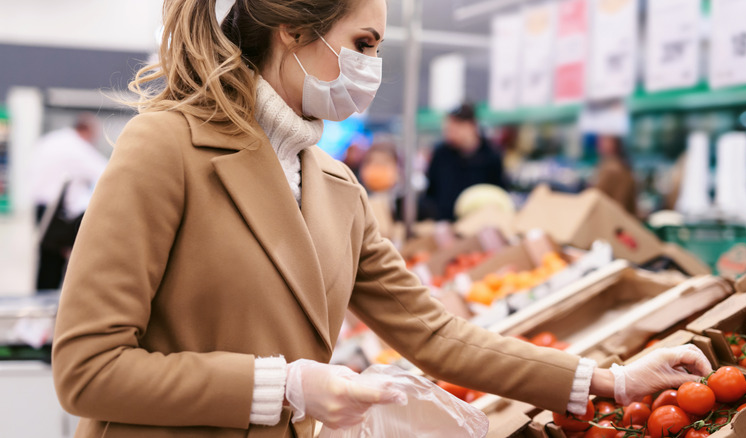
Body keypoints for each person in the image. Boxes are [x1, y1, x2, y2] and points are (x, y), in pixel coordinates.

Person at [52, 1, 712, 437]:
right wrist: (286, 386)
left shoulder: (337, 188)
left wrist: (609, 378)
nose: (372, 67)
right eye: (362, 43)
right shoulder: (167, 146)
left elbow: (437, 335)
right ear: (294, 31)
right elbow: (87, 367)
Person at [29, 113, 107, 290]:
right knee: (58, 262)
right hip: (58, 212)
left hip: (40, 206)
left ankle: (42, 299)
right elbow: (106, 172)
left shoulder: (50, 140)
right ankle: (52, 303)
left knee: (46, 259)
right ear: (87, 130)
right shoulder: (76, 147)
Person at [421, 103, 506, 221]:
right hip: (445, 224)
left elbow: (499, 193)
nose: (449, 132)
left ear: (470, 126)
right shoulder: (441, 154)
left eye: (455, 127)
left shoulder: (491, 156)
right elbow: (431, 192)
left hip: (480, 223)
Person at [592, 134, 638, 215]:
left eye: (604, 140)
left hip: (614, 219)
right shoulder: (609, 165)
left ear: (614, 144)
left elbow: (619, 203)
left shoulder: (614, 169)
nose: (599, 144)